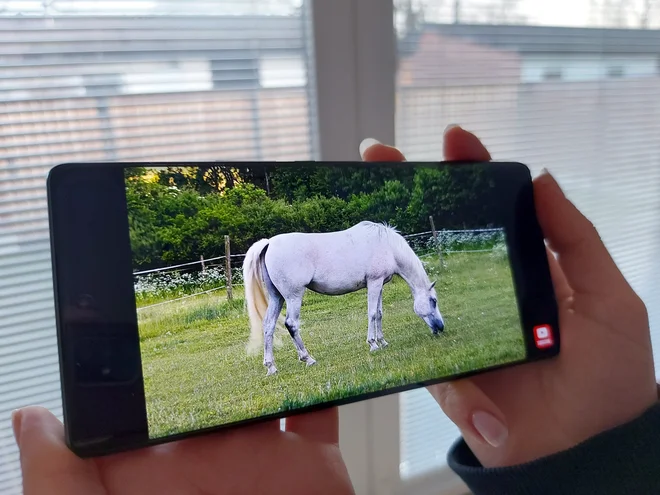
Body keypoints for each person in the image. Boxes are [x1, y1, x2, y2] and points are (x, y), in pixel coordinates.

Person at [12, 126, 659, 495]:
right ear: (425, 290)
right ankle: (286, 349)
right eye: (429, 307)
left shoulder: (388, 247)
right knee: (285, 309)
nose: (427, 308)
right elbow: (382, 290)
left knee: (279, 313)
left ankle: (274, 354)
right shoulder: (380, 249)